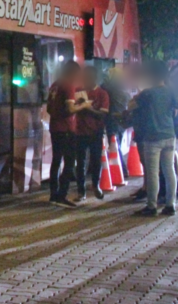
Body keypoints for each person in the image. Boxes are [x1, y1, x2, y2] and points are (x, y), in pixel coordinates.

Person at [129, 60, 178, 216]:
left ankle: (152, 206)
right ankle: (171, 204)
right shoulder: (171, 91)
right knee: (169, 170)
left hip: (153, 137)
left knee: (152, 172)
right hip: (169, 134)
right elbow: (175, 113)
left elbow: (131, 106)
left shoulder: (148, 93)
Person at [46, 61, 92, 209]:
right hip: (66, 130)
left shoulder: (55, 85)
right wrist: (83, 105)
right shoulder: (69, 86)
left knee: (56, 161)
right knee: (69, 163)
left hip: (54, 128)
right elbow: (71, 109)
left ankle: (53, 194)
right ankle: (62, 195)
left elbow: (49, 108)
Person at [73, 66, 109, 201]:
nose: (86, 79)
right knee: (80, 162)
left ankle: (96, 185)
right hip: (80, 131)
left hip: (96, 132)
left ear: (94, 77)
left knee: (95, 161)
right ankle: (81, 192)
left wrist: (88, 108)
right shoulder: (78, 92)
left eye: (89, 76)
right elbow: (73, 108)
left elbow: (103, 115)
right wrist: (78, 106)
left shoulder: (102, 94)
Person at [102, 66, 130, 175]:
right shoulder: (123, 87)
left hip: (112, 119)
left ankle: (122, 170)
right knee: (117, 143)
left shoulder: (109, 87)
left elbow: (102, 86)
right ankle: (121, 169)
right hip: (122, 120)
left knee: (114, 144)